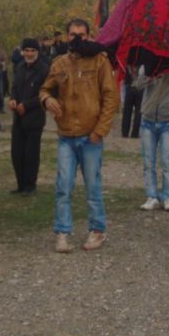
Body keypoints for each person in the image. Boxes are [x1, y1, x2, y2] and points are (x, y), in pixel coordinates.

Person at [39, 19, 118, 253]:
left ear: (88, 36)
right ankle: (63, 232)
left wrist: (99, 131)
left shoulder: (100, 61)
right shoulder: (59, 63)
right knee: (63, 186)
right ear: (66, 36)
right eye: (72, 34)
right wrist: (47, 99)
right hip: (66, 135)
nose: (76, 39)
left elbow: (111, 98)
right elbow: (45, 88)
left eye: (81, 35)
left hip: (90, 136)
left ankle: (97, 230)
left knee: (93, 186)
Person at [9, 38, 49, 195]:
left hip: (34, 117)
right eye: (27, 50)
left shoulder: (44, 70)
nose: (30, 53)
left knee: (31, 154)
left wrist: (26, 105)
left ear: (37, 52)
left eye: (33, 51)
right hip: (18, 118)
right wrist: (13, 99)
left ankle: (30, 185)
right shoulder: (19, 67)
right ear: (23, 51)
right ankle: (20, 184)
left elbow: (44, 93)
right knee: (17, 153)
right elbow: (14, 87)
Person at [135, 68, 169, 212]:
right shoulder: (148, 65)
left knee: (167, 160)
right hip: (148, 118)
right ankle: (151, 195)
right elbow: (137, 85)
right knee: (148, 161)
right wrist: (149, 76)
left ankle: (167, 196)